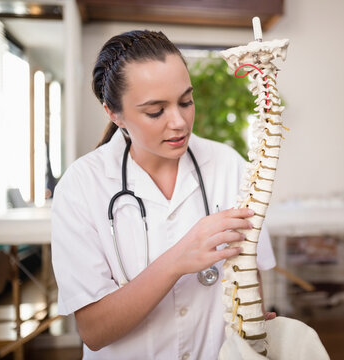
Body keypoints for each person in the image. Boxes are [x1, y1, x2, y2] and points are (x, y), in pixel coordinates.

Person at [51, 29, 276, 359]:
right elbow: (95, 331)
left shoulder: (228, 166)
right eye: (155, 111)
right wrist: (177, 259)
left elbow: (250, 279)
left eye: (186, 101)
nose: (180, 122)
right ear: (114, 114)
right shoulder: (81, 186)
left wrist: (254, 325)